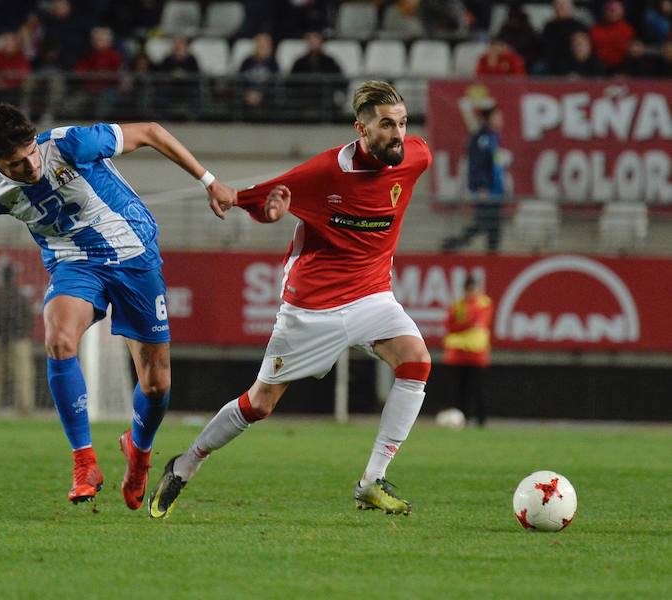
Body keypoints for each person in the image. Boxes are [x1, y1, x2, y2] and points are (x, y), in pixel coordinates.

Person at [147, 80, 432, 519]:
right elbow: (257, 201)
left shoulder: (416, 157)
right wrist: (267, 211)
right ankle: (185, 464)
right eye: (387, 125)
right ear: (361, 129)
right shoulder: (323, 174)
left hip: (373, 295)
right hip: (312, 307)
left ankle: (371, 480)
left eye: (403, 123)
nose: (398, 134)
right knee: (259, 404)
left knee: (416, 361)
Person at [0, 103, 236, 509]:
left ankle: (139, 452)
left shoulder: (70, 144)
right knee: (59, 339)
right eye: (17, 164)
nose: (31, 167)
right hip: (74, 264)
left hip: (134, 255)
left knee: (156, 384)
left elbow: (150, 129)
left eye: (30, 154)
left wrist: (210, 181)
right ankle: (84, 462)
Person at [441, 106, 506, 253]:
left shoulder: (494, 137)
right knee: (484, 223)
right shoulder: (481, 139)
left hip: (496, 191)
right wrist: (481, 186)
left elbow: (495, 164)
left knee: (493, 226)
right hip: (486, 191)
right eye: (497, 116)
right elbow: (476, 164)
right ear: (489, 119)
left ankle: (492, 255)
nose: (501, 120)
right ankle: (454, 244)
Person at [0, 263, 35, 417]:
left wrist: (0, 333)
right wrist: (19, 333)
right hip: (19, 341)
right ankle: (24, 412)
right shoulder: (21, 297)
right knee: (23, 378)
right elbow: (29, 320)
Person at [443, 276, 493, 427]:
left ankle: (481, 420)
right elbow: (450, 325)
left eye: (473, 289)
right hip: (457, 353)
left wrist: (461, 326)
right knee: (460, 390)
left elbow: (475, 323)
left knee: (478, 389)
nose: (471, 292)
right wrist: (465, 326)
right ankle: (462, 420)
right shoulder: (457, 305)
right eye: (469, 289)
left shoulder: (484, 304)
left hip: (476, 353)